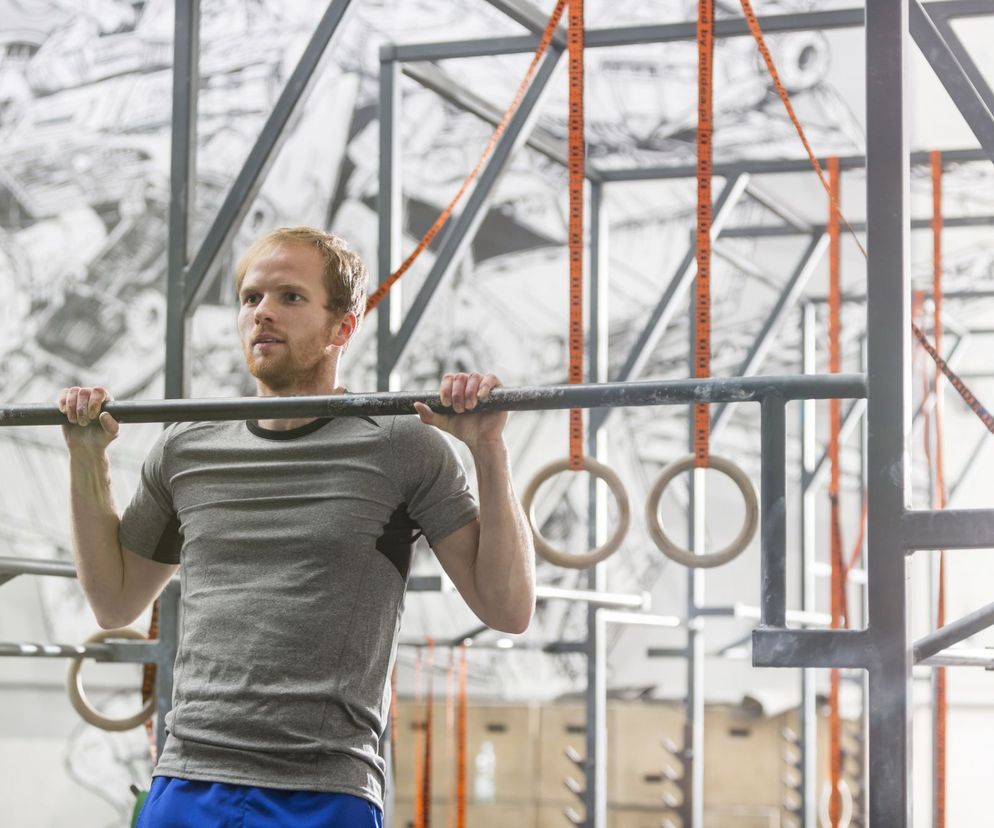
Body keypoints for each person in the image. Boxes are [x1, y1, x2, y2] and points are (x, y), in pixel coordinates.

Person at [58, 226, 536, 827]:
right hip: (186, 778)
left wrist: (490, 451)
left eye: (290, 297)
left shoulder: (402, 446)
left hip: (321, 790)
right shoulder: (186, 449)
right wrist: (86, 458)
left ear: (343, 327)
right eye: (251, 298)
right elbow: (113, 599)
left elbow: (509, 607)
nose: (262, 314)